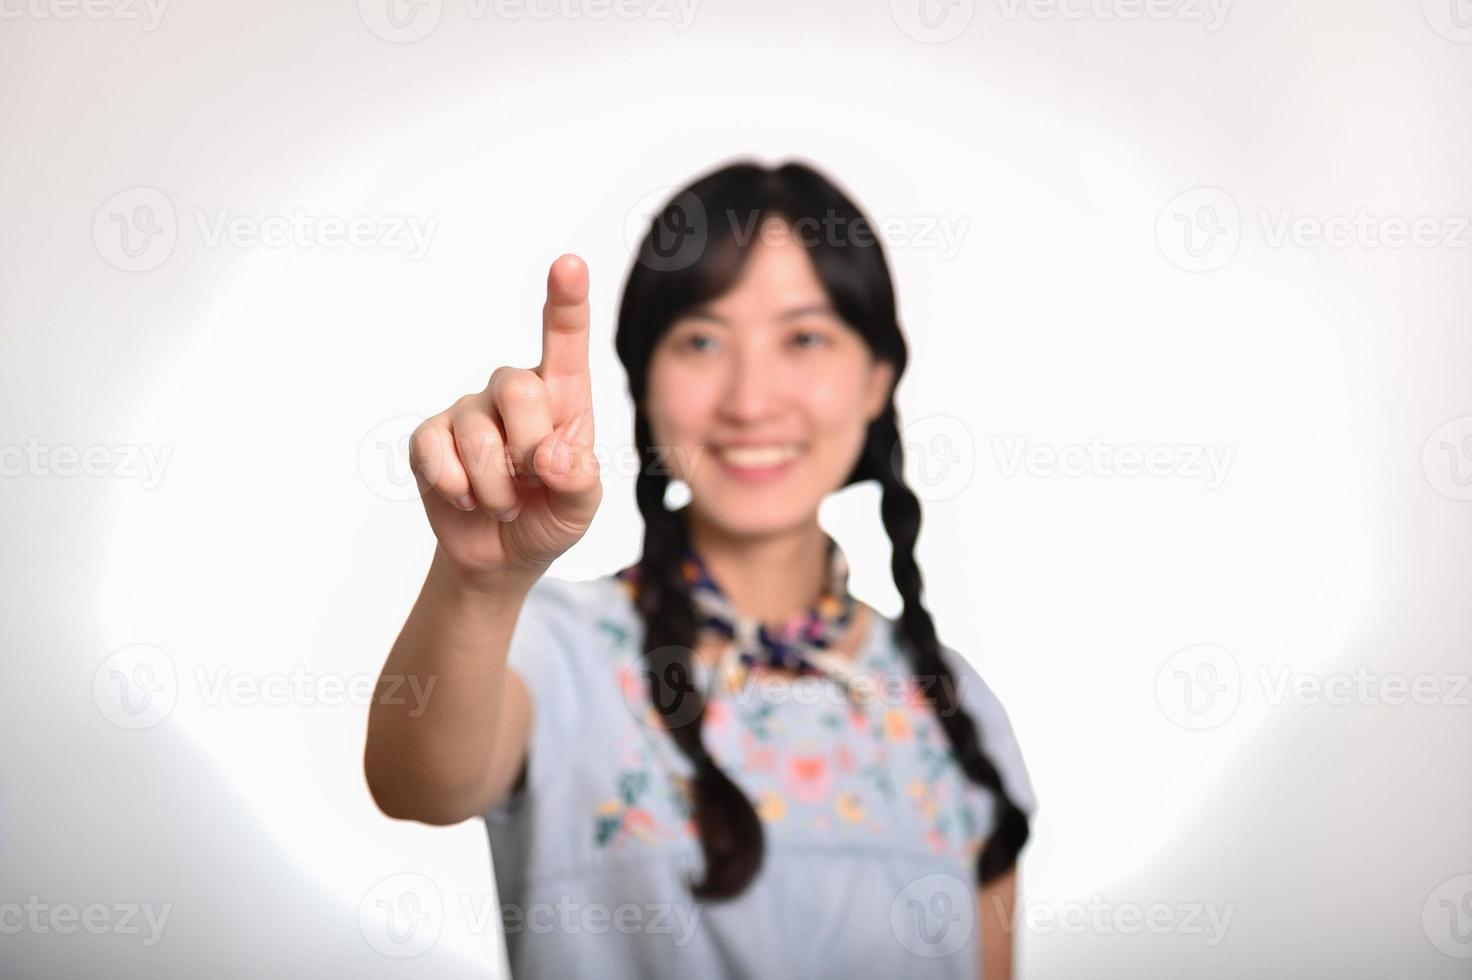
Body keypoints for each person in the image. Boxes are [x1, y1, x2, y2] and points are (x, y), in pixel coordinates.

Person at [364, 160, 1038, 979]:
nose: (751, 400)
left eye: (805, 338)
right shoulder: (553, 650)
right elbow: (419, 787)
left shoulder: (956, 711)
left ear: (876, 382)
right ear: (644, 386)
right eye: (702, 341)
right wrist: (478, 581)